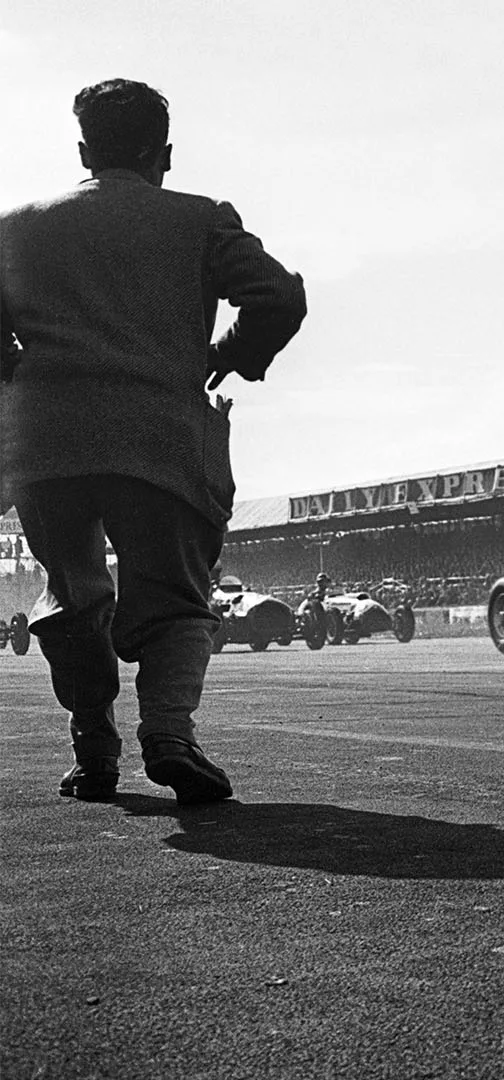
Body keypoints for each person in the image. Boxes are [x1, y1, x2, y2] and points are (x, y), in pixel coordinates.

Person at [0, 79, 307, 804]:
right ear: (162, 152)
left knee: (71, 596)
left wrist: (24, 377)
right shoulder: (200, 219)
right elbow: (279, 297)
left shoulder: (14, 227)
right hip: (159, 437)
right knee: (174, 598)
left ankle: (93, 751)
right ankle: (168, 734)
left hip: (48, 446)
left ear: (83, 151)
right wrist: (227, 354)